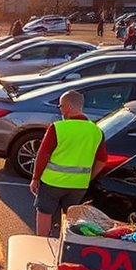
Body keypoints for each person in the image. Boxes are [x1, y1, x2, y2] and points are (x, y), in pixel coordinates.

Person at [30, 90, 107, 238]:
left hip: (52, 182)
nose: (60, 110)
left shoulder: (58, 128)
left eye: (61, 106)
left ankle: (41, 244)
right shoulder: (96, 131)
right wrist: (88, 177)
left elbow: (43, 154)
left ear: (70, 106)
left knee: (44, 213)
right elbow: (102, 160)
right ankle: (64, 245)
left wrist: (35, 178)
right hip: (79, 185)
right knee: (69, 217)